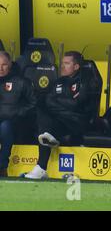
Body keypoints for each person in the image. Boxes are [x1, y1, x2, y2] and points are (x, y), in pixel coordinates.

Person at [25, 51, 89, 179]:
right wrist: (64, 103)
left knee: (45, 130)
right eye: (62, 63)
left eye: (67, 63)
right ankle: (42, 166)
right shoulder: (59, 82)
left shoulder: (85, 82)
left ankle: (41, 167)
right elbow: (49, 100)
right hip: (60, 120)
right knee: (42, 116)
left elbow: (75, 105)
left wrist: (58, 102)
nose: (62, 66)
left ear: (76, 66)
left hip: (74, 123)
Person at [0, 51, 36, 177]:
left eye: (4, 64)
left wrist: (19, 112)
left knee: (5, 127)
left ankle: (2, 167)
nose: (0, 68)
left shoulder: (21, 82)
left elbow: (33, 103)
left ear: (10, 64)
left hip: (16, 123)